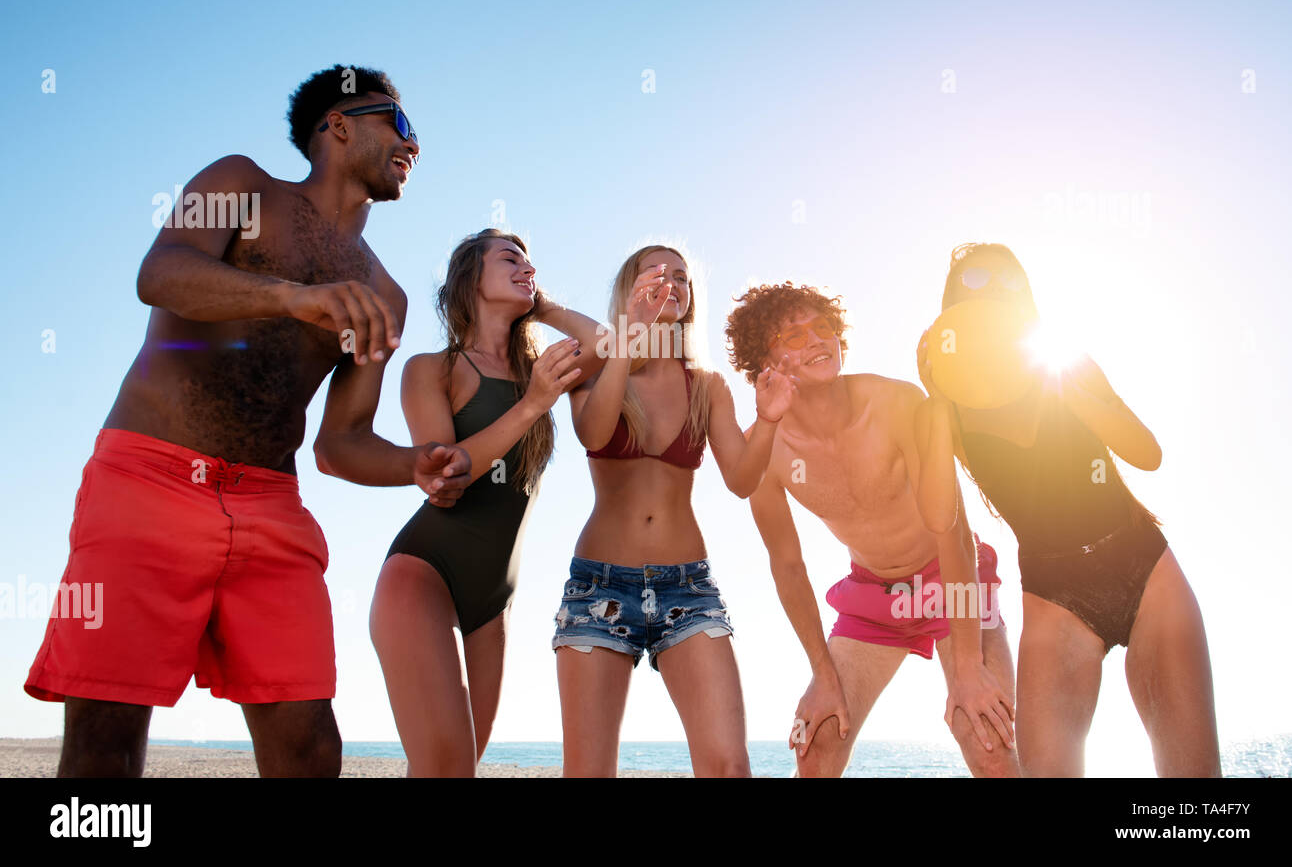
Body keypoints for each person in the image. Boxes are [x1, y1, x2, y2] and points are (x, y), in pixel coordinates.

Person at [25, 65, 473, 777]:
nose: (414, 144)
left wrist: (412, 466)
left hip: (270, 508)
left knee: (312, 748)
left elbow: (341, 442)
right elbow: (162, 270)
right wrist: (290, 297)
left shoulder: (385, 292)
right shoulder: (241, 183)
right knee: (103, 745)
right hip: (148, 478)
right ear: (338, 123)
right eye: (400, 122)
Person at [914, 243, 1220, 777]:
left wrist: (1077, 393)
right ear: (953, 310)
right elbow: (941, 519)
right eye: (976, 282)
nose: (994, 293)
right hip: (1055, 596)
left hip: (1145, 568)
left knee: (1195, 786)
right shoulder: (946, 412)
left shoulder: (1064, 361)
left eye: (1009, 282)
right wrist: (939, 399)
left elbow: (1147, 455)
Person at [725, 282, 1019, 778]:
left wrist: (968, 665)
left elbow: (953, 531)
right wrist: (822, 674)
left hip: (953, 583)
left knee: (986, 738)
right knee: (815, 746)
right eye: (793, 336)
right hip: (874, 598)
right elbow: (788, 565)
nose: (816, 339)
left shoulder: (895, 403)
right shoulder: (763, 448)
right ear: (763, 361)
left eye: (823, 327)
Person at [552, 245, 795, 777]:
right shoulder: (592, 371)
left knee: (730, 766)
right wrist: (627, 340)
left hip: (688, 589)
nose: (672, 285)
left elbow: (740, 481)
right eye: (657, 275)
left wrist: (770, 420)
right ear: (627, 291)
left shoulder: (706, 385)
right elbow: (593, 432)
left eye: (682, 278)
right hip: (600, 589)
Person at [371, 228, 607, 776]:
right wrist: (532, 406)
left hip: (493, 600)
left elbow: (614, 345)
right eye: (510, 259)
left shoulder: (540, 370)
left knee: (460, 765)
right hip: (422, 573)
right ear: (470, 278)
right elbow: (446, 469)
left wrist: (543, 304)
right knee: (444, 765)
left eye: (531, 262)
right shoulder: (432, 369)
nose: (526, 267)